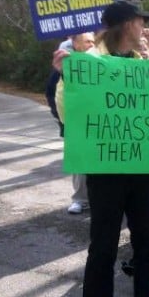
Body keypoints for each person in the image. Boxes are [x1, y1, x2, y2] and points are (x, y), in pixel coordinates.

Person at [56, 0, 149, 297]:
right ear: (125, 26)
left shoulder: (144, 65)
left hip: (140, 167)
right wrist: (68, 79)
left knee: (147, 243)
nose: (145, 30)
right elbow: (65, 111)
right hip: (105, 168)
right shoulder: (88, 64)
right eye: (140, 23)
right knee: (103, 245)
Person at [52, 32, 97, 214]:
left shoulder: (101, 61)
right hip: (76, 122)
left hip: (97, 121)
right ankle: (80, 199)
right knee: (80, 164)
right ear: (76, 44)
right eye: (87, 41)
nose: (91, 45)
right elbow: (53, 93)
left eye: (93, 41)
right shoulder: (65, 65)